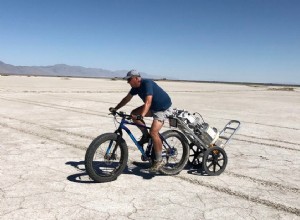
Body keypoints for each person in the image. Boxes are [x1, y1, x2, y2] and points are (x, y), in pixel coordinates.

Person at [109, 69, 173, 173]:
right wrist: (116, 108)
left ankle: (159, 161)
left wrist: (142, 115)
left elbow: (148, 102)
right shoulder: (135, 87)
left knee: (153, 132)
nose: (127, 82)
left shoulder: (147, 83)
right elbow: (127, 99)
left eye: (129, 79)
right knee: (134, 115)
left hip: (162, 109)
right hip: (152, 107)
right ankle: (145, 136)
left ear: (136, 78)